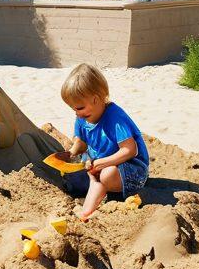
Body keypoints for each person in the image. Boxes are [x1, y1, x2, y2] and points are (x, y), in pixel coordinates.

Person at [57, 63, 149, 220]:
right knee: (76, 178)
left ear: (96, 99)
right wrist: (72, 151)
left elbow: (130, 150)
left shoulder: (115, 117)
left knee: (105, 175)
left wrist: (104, 162)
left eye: (79, 108)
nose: (77, 114)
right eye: (73, 110)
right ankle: (86, 213)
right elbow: (81, 141)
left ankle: (95, 201)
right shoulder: (83, 116)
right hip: (102, 165)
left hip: (133, 169)